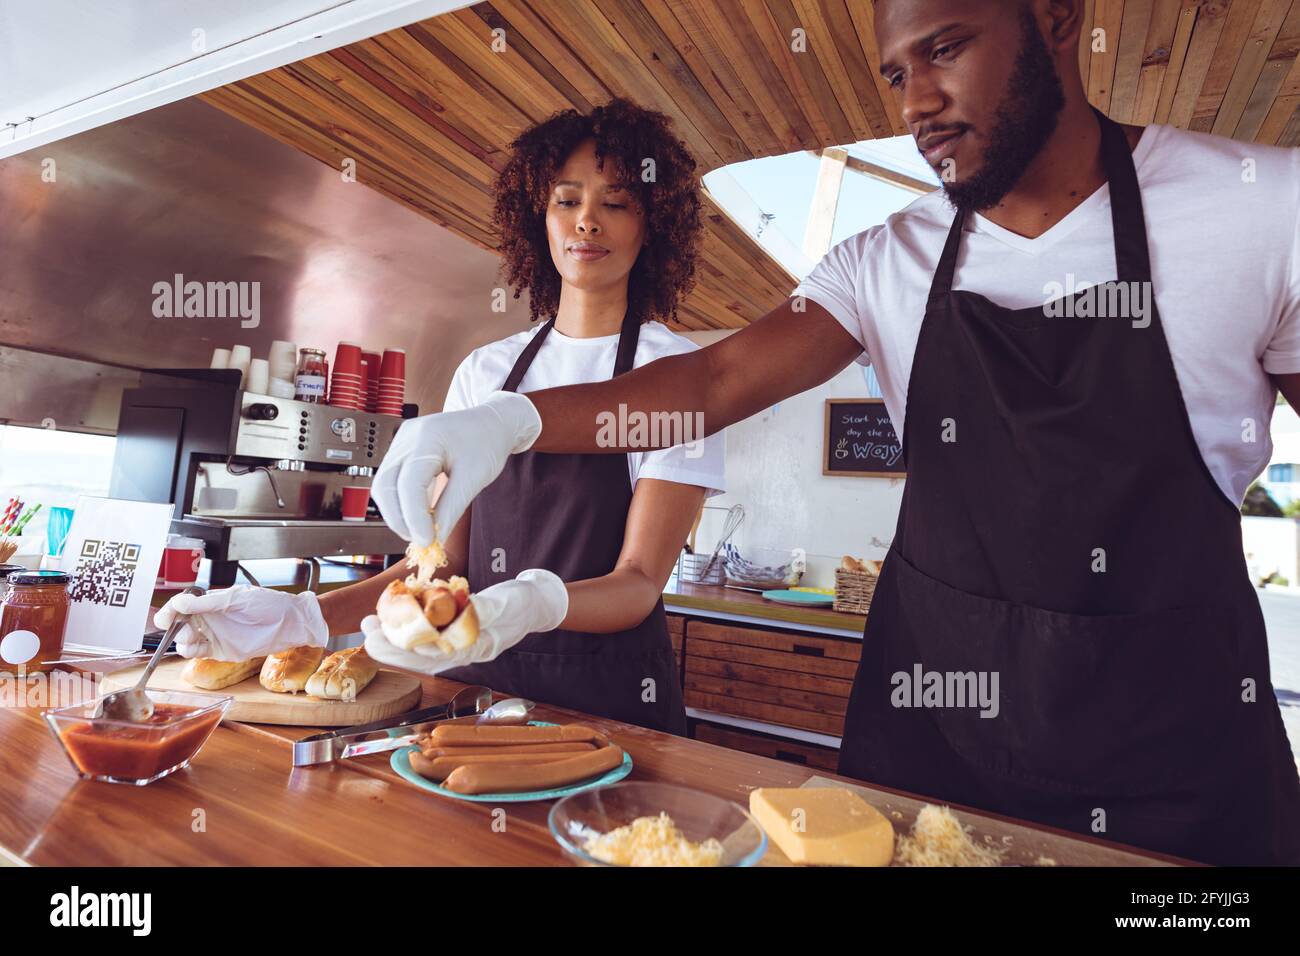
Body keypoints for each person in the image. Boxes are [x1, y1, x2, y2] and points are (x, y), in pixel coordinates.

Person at [369, 0, 1300, 864]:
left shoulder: (1263, 211)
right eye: (897, 75)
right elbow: (717, 377)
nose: (919, 104)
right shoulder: (884, 256)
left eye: (945, 48)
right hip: (933, 736)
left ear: (1059, 16)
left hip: (1173, 743)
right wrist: (512, 418)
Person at [158, 99, 724, 736]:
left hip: (611, 704)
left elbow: (641, 580)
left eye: (616, 203)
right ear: (538, 216)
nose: (587, 221)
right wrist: (302, 619)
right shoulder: (486, 372)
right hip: (470, 695)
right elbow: (439, 567)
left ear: (654, 225)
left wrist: (534, 603)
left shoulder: (675, 373)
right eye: (566, 200)